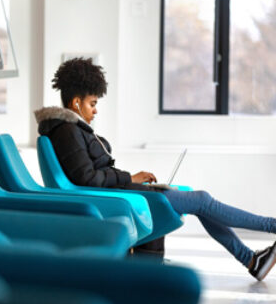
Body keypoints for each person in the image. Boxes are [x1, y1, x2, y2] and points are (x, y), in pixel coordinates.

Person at [34, 57, 276, 281]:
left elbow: (90, 174)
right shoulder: (68, 131)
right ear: (76, 103)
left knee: (200, 201)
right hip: (120, 197)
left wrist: (133, 180)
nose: (95, 110)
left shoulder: (72, 128)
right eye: (92, 103)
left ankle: (253, 261)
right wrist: (131, 177)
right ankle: (269, 229)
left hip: (124, 191)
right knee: (202, 200)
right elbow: (87, 179)